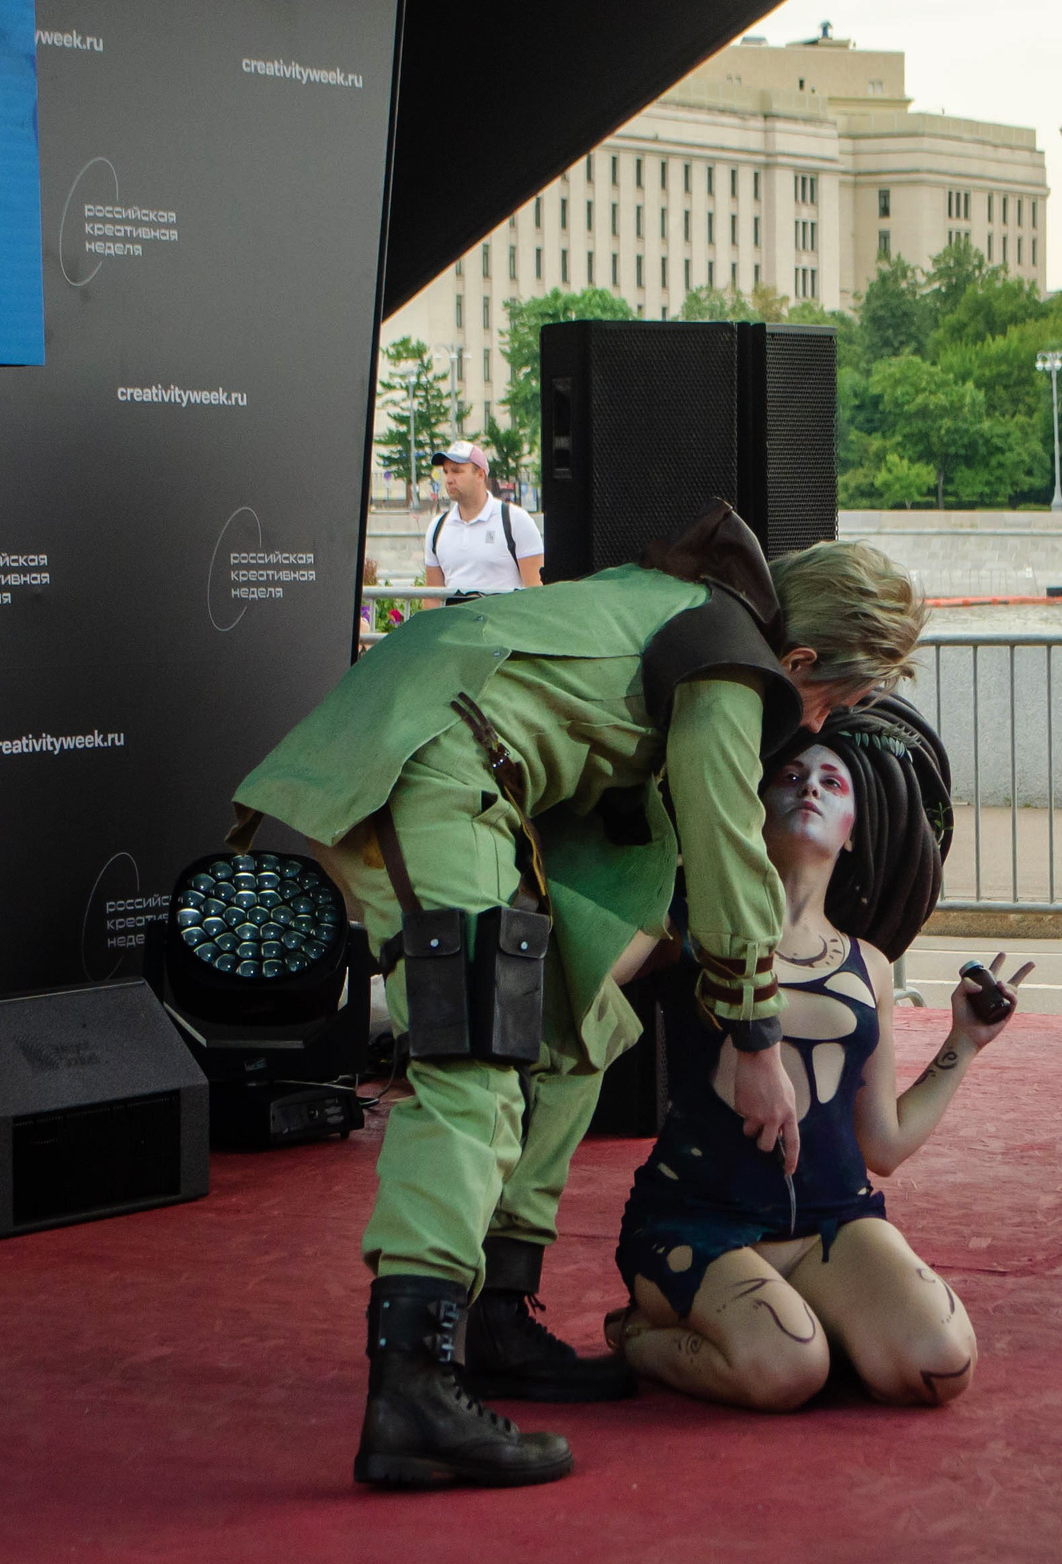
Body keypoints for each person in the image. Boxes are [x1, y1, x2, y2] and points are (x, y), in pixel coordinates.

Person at [232, 506, 926, 1486]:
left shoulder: (686, 605)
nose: (812, 726)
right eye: (827, 703)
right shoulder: (730, 663)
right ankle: (412, 1387)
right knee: (472, 1062)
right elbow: (727, 842)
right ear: (800, 658)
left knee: (572, 1026)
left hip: (465, 767)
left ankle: (494, 1315)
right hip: (430, 765)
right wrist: (755, 1036)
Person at [610, 710, 1025, 1411]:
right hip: (698, 1221)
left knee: (940, 1365)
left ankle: (802, 1319)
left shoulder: (872, 966)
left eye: (833, 782)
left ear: (854, 830)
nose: (810, 788)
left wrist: (965, 1041)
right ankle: (636, 1335)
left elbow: (883, 1146)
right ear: (751, 805)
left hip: (834, 1223)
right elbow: (596, 974)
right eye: (790, 776)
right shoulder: (691, 926)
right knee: (787, 1371)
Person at [422, 442, 544, 601]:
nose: (449, 479)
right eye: (446, 472)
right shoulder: (437, 528)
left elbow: (535, 591)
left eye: (457, 471)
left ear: (480, 475)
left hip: (502, 616)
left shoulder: (515, 520)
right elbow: (432, 597)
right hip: (456, 616)